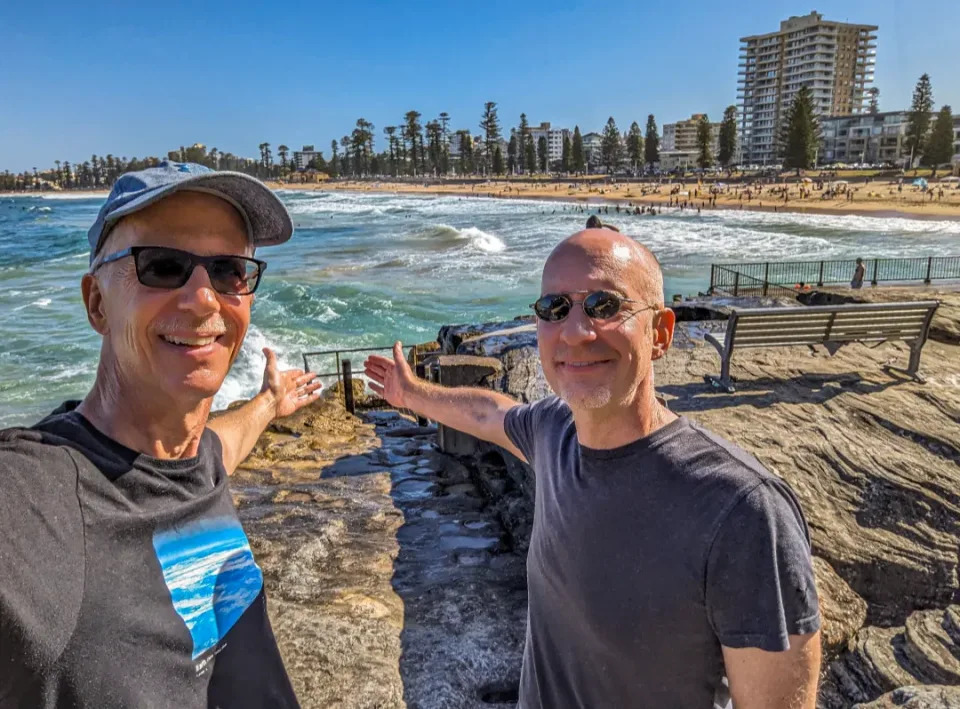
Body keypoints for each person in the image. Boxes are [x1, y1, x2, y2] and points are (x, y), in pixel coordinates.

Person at [365, 228, 821, 709]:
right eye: (554, 309)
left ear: (660, 333)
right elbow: (486, 413)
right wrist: (411, 393)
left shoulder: (742, 511)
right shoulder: (552, 432)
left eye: (605, 306)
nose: (576, 332)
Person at [0, 162, 322, 708]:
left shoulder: (189, 458)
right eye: (163, 266)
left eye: (227, 270)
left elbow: (217, 449)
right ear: (97, 302)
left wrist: (269, 403)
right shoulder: (37, 499)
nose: (203, 299)